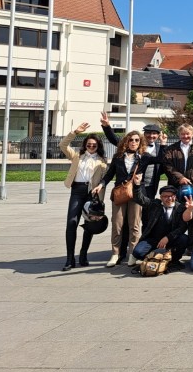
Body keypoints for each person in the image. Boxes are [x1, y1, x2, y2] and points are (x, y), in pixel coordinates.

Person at [96, 131, 149, 268]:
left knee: (134, 224)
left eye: (137, 140)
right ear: (126, 141)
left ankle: (133, 254)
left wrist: (162, 143)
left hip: (136, 194)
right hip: (120, 193)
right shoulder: (118, 156)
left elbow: (161, 159)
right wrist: (101, 185)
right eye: (131, 140)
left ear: (140, 142)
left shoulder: (143, 157)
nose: (133, 142)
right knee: (117, 224)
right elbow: (109, 174)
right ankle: (115, 253)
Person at [60, 123, 108, 270]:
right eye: (89, 144)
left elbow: (104, 179)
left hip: (92, 193)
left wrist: (100, 198)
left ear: (98, 146)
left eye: (94, 145)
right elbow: (63, 145)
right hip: (77, 190)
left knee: (89, 224)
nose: (91, 147)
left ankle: (83, 254)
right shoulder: (77, 156)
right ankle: (70, 258)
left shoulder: (102, 160)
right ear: (85, 145)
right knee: (71, 222)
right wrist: (75, 132)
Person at [100, 114, 168, 199]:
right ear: (144, 134)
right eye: (148, 133)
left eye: (154, 133)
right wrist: (106, 126)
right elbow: (114, 139)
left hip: (150, 185)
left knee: (148, 206)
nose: (151, 135)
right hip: (131, 185)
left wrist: (163, 144)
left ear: (158, 135)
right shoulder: (133, 144)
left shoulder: (161, 148)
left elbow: (162, 161)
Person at [131, 183, 188, 271]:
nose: (169, 199)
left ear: (175, 197)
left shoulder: (180, 207)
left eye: (171, 196)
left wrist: (168, 238)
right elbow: (139, 198)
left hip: (171, 239)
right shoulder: (154, 204)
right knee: (138, 253)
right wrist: (137, 186)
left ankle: (174, 260)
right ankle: (152, 257)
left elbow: (182, 228)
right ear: (161, 197)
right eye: (165, 196)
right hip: (153, 239)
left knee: (184, 239)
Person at [163, 124, 193, 189]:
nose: (185, 136)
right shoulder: (171, 149)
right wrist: (180, 178)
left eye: (188, 134)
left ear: (192, 134)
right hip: (176, 184)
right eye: (182, 134)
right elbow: (167, 165)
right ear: (179, 134)